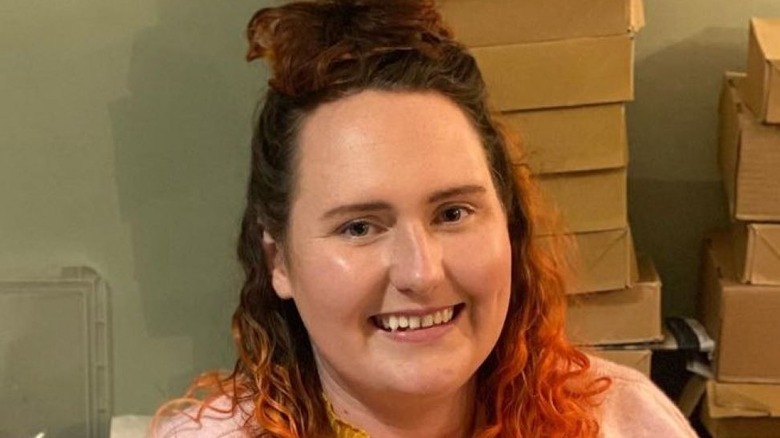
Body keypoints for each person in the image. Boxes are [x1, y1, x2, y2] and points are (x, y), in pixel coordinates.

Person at [154, 1, 698, 436]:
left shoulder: (626, 423)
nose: (421, 273)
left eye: (453, 213)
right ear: (280, 263)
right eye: (360, 227)